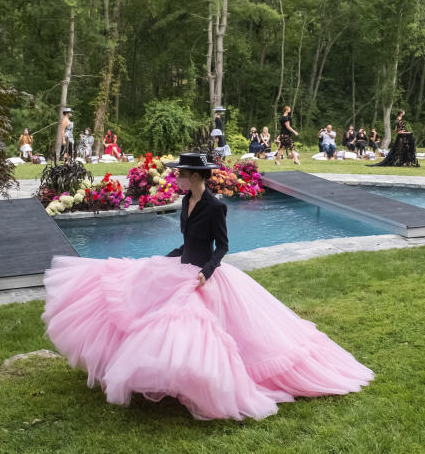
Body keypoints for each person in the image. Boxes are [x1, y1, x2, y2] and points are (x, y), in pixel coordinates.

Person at [41, 152, 373, 421]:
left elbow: (223, 246)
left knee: (194, 325)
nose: (177, 178)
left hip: (204, 273)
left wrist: (208, 271)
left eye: (182, 174)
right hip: (182, 265)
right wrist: (167, 258)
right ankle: (168, 376)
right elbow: (188, 241)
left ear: (196, 177)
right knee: (132, 292)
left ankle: (201, 382)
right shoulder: (186, 201)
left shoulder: (216, 206)